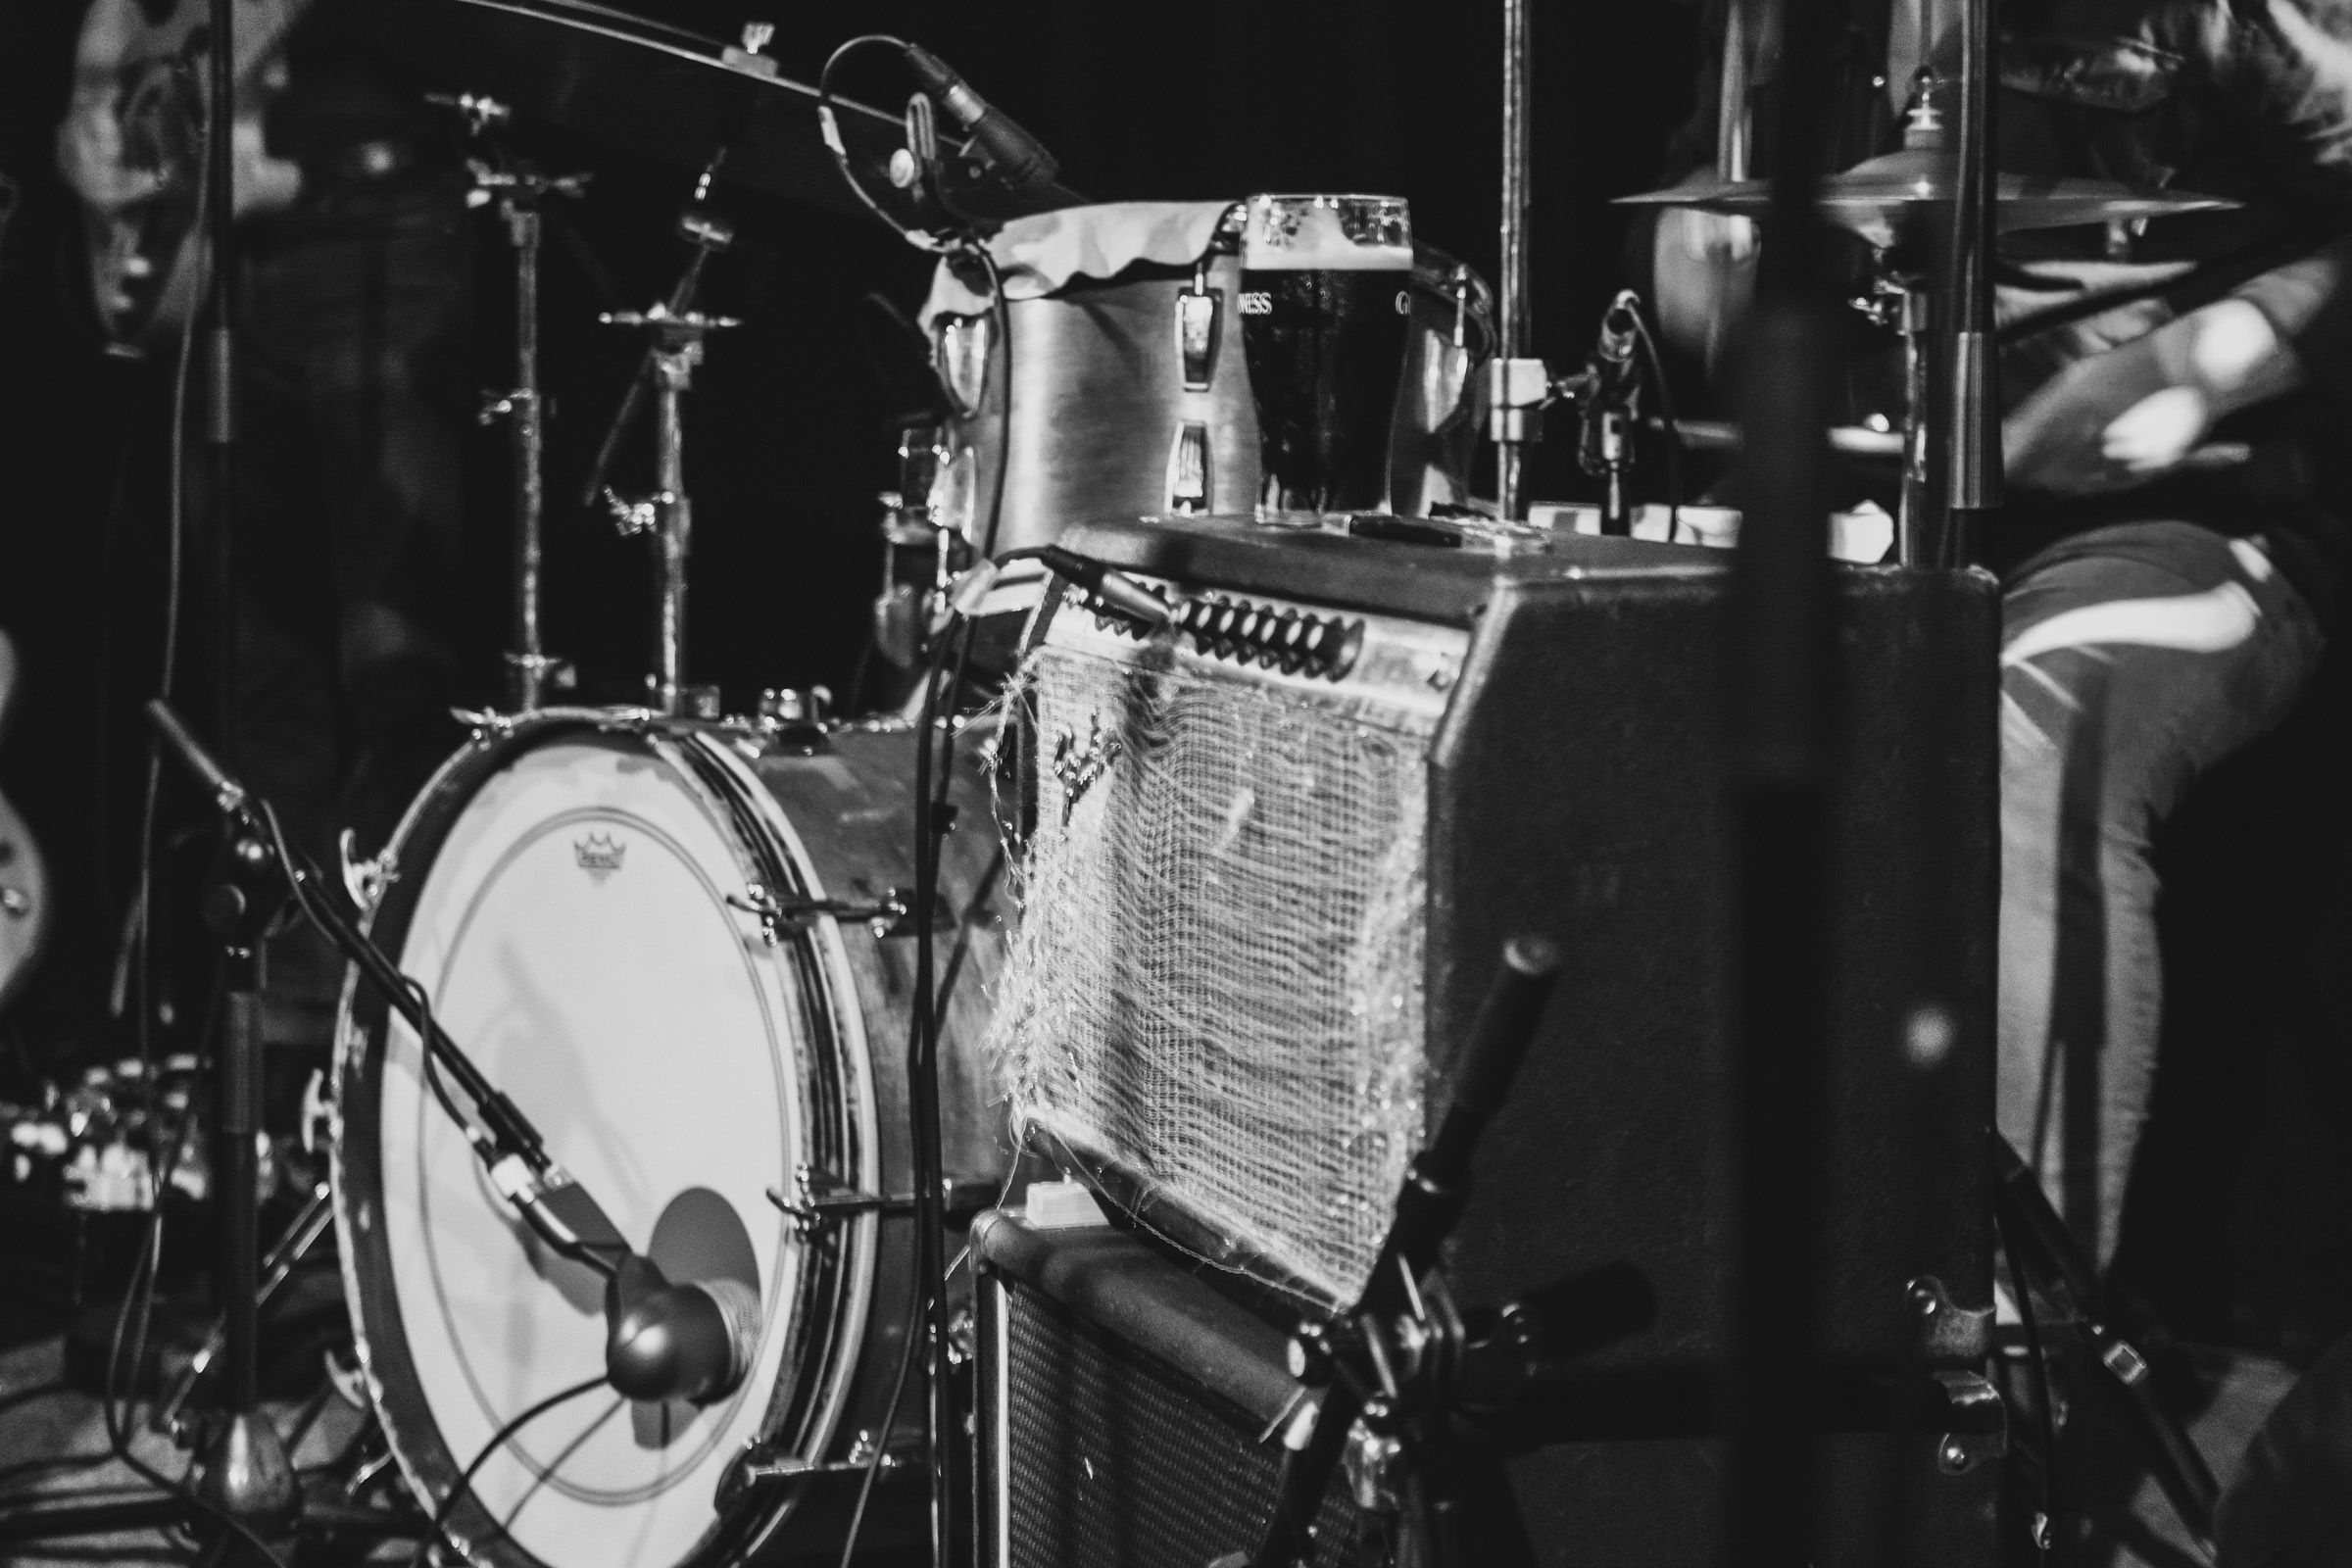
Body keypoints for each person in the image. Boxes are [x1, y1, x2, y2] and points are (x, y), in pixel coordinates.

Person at [1648, 0, 2347, 1268]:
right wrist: (1701, 239)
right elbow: (1722, 180)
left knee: (2025, 756)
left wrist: (2214, 357)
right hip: (1860, 486)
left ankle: (2018, 1369)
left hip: (2172, 516)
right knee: (1587, 681)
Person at [57, 0, 472, 1042]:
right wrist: (95, 101)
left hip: (380, 225)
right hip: (230, 266)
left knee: (396, 664)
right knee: (252, 677)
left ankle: (387, 1024)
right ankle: (277, 1040)